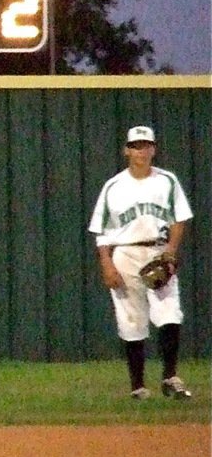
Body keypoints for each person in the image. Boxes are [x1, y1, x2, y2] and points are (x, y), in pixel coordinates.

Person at [88, 125, 194, 401]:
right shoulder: (114, 186)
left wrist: (171, 250)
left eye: (147, 145)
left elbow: (179, 218)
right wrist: (107, 264)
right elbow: (101, 230)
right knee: (131, 320)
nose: (142, 150)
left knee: (170, 313)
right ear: (127, 150)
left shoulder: (167, 181)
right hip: (125, 253)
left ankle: (170, 377)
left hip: (158, 252)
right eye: (136, 145)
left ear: (154, 149)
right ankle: (138, 387)